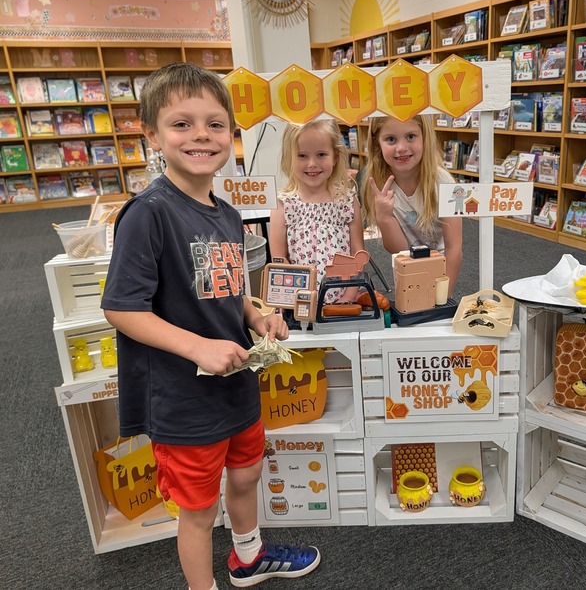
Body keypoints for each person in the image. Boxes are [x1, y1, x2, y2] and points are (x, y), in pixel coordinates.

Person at [100, 62, 319, 590]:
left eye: (215, 124)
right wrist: (198, 347)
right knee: (197, 509)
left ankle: (248, 558)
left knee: (246, 474)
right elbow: (122, 308)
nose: (201, 135)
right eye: (182, 124)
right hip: (183, 398)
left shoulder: (227, 215)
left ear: (231, 135)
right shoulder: (148, 213)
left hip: (236, 383)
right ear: (151, 134)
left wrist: (257, 317)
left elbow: (229, 288)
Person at [361, 115, 462, 294]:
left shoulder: (444, 183)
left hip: (442, 262)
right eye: (391, 139)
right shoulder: (379, 185)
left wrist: (444, 294)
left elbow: (454, 248)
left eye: (410, 136)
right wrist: (384, 218)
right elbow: (398, 250)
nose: (401, 148)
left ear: (424, 137)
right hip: (406, 265)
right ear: (377, 143)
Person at [269, 119, 365, 304]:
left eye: (321, 154)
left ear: (335, 156)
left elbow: (358, 253)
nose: (312, 163)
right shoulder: (283, 204)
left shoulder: (346, 200)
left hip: (344, 298)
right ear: (290, 157)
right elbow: (279, 260)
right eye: (302, 155)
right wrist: (298, 300)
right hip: (300, 301)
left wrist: (349, 296)